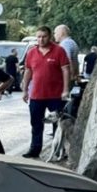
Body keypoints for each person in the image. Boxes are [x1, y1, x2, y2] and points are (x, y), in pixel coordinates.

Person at [20, 26, 71, 158]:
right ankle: (35, 149)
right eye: (39, 37)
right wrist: (25, 89)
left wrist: (66, 89)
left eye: (44, 36)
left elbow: (66, 70)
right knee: (36, 123)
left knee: (58, 124)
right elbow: (28, 71)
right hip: (37, 94)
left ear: (50, 37)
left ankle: (59, 150)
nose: (41, 39)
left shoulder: (59, 51)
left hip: (56, 95)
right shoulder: (31, 52)